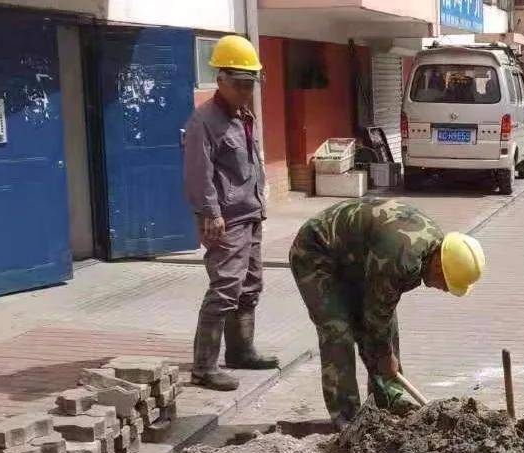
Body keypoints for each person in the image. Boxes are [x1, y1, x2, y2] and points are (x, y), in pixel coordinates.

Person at [289, 198, 485, 428]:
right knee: (337, 332)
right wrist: (384, 355)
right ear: (438, 265)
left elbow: (381, 310)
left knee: (385, 326)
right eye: (446, 284)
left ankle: (389, 401)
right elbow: (375, 315)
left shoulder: (434, 248)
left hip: (355, 261)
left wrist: (384, 353)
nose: (444, 290)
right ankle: (347, 420)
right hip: (316, 252)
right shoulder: (401, 258)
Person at [183, 35, 276, 392]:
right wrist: (211, 212)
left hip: (249, 212)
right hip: (224, 218)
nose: (245, 91)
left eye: (250, 84)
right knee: (225, 288)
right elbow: (198, 172)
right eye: (239, 84)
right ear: (220, 79)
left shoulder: (243, 115)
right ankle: (204, 367)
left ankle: (240, 351)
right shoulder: (204, 121)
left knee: (250, 286)